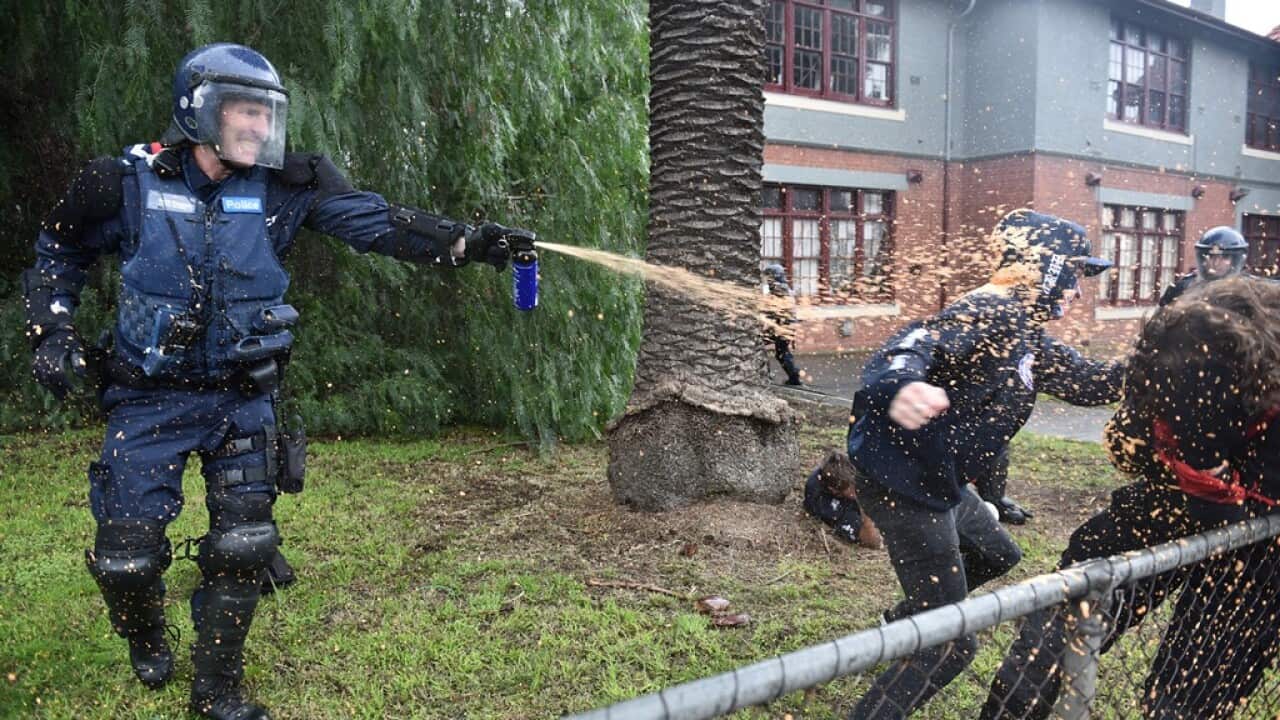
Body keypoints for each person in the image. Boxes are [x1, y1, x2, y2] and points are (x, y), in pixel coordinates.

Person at [21, 44, 518, 719]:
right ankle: (145, 636)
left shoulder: (285, 188)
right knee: (125, 561)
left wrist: (464, 243)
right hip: (146, 398)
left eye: (266, 114)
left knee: (242, 549)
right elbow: (58, 247)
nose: (259, 127)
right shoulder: (125, 184)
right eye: (244, 112)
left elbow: (375, 223)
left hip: (242, 397)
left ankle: (216, 692)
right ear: (199, 112)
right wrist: (52, 332)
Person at [844, 209, 1123, 719]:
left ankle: (905, 626)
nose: (1078, 292)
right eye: (1074, 276)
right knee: (952, 646)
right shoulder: (991, 309)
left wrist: (1167, 363)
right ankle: (916, 650)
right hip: (906, 489)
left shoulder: (1028, 333)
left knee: (998, 553)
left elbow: (1092, 383)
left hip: (941, 482)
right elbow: (912, 343)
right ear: (1045, 268)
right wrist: (904, 384)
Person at [981, 276, 1280, 720]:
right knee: (1048, 647)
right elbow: (1127, 447)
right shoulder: (1178, 351)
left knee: (1188, 698)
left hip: (1262, 547)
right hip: (1162, 504)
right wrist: (1180, 462)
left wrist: (1226, 490)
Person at [802, 450, 883, 549]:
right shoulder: (828, 505)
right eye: (854, 488)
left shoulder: (849, 469)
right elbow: (874, 542)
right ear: (835, 492)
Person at [1158, 225, 1250, 306]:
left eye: (1224, 257)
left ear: (1236, 260)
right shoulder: (1181, 288)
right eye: (1211, 256)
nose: (1216, 263)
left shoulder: (1250, 291)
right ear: (1202, 259)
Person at [763, 263, 803, 386]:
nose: (767, 279)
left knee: (760, 347)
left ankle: (766, 375)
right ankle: (794, 376)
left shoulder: (778, 288)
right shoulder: (784, 287)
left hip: (781, 326)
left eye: (769, 276)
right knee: (782, 352)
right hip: (786, 326)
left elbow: (773, 309)